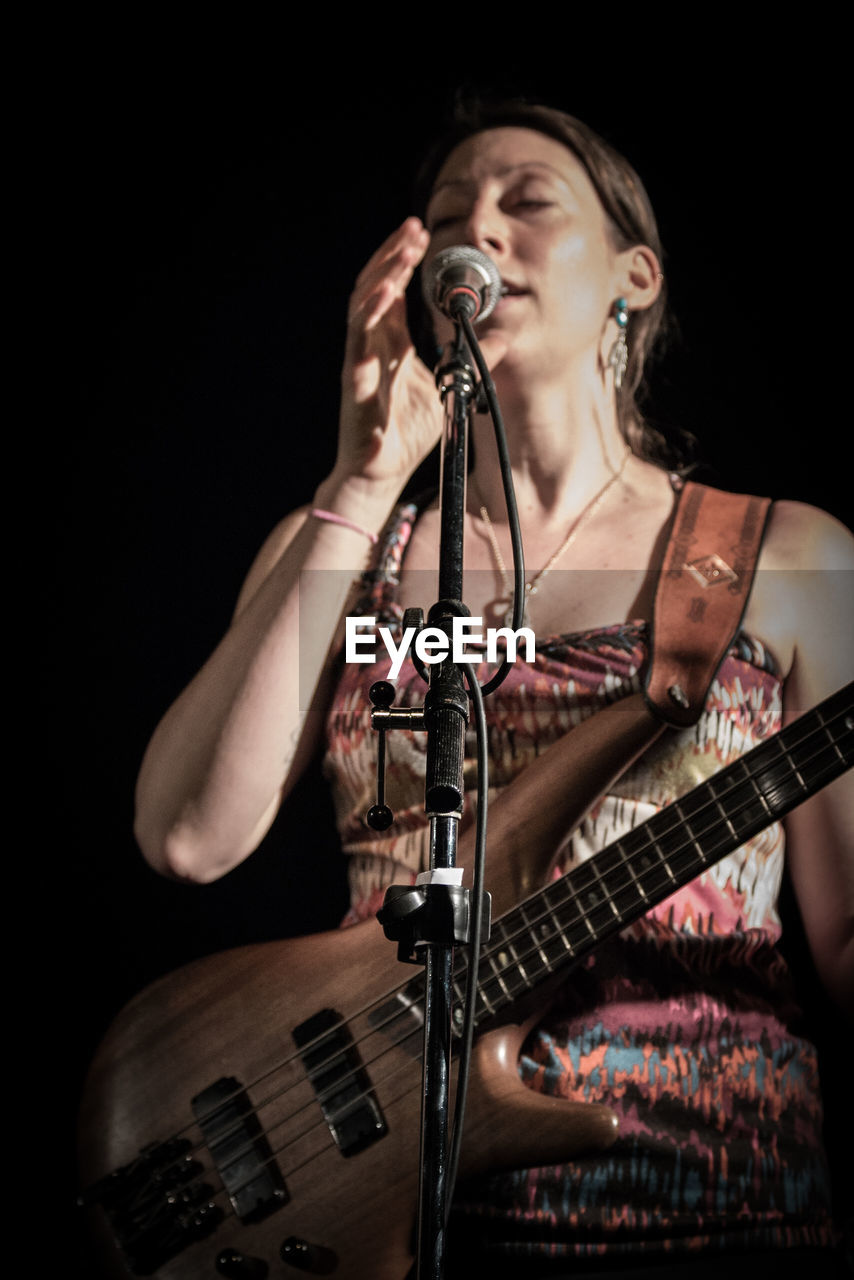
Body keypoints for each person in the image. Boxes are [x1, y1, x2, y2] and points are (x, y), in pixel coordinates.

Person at [133, 101, 854, 1276]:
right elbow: (185, 833)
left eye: (527, 200)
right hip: (397, 1222)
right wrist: (360, 483)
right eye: (450, 212)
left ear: (634, 275)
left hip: (719, 1208)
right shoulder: (341, 544)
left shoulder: (786, 555)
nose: (479, 227)